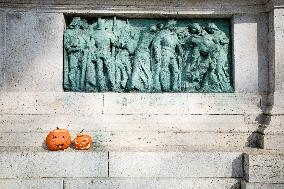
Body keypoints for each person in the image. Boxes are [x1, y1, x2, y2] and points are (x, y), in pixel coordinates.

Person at [152, 20, 183, 92]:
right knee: (164, 69)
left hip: (173, 54)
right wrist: (157, 54)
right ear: (169, 26)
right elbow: (156, 43)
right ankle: (165, 86)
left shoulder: (174, 35)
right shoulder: (161, 33)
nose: (174, 27)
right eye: (173, 25)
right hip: (164, 53)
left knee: (175, 70)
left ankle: (174, 86)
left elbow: (178, 46)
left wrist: (181, 52)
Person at [89, 18, 117, 91]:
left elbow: (91, 46)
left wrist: (93, 54)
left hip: (98, 53)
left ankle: (101, 88)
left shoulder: (94, 34)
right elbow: (114, 43)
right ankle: (113, 86)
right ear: (104, 25)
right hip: (106, 53)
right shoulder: (109, 34)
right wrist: (115, 35)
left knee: (99, 70)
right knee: (110, 69)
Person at [64, 17, 89, 91]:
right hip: (73, 53)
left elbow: (87, 43)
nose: (79, 23)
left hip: (82, 54)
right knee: (73, 69)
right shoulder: (68, 32)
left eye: (80, 22)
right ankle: (73, 86)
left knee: (80, 70)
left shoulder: (83, 33)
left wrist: (85, 47)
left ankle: (79, 86)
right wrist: (75, 48)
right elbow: (67, 46)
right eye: (77, 22)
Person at [131, 25, 158, 92]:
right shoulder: (154, 36)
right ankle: (149, 85)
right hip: (145, 53)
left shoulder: (143, 33)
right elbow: (155, 46)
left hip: (138, 52)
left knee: (136, 69)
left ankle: (133, 84)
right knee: (146, 69)